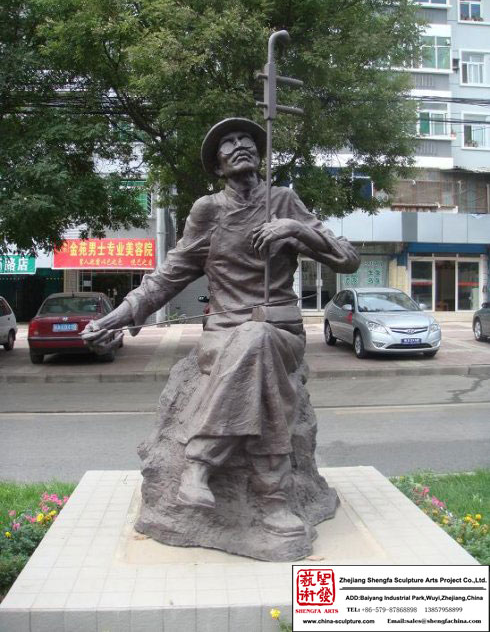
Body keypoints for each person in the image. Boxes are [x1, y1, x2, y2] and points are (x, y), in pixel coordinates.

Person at [82, 117, 360, 537]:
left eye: (245, 139)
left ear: (259, 153)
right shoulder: (207, 211)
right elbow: (169, 275)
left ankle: (200, 463)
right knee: (254, 344)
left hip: (281, 330)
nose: (239, 145)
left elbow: (347, 259)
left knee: (261, 339)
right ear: (217, 166)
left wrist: (297, 230)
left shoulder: (284, 201)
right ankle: (274, 500)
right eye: (227, 144)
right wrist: (115, 317)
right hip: (223, 332)